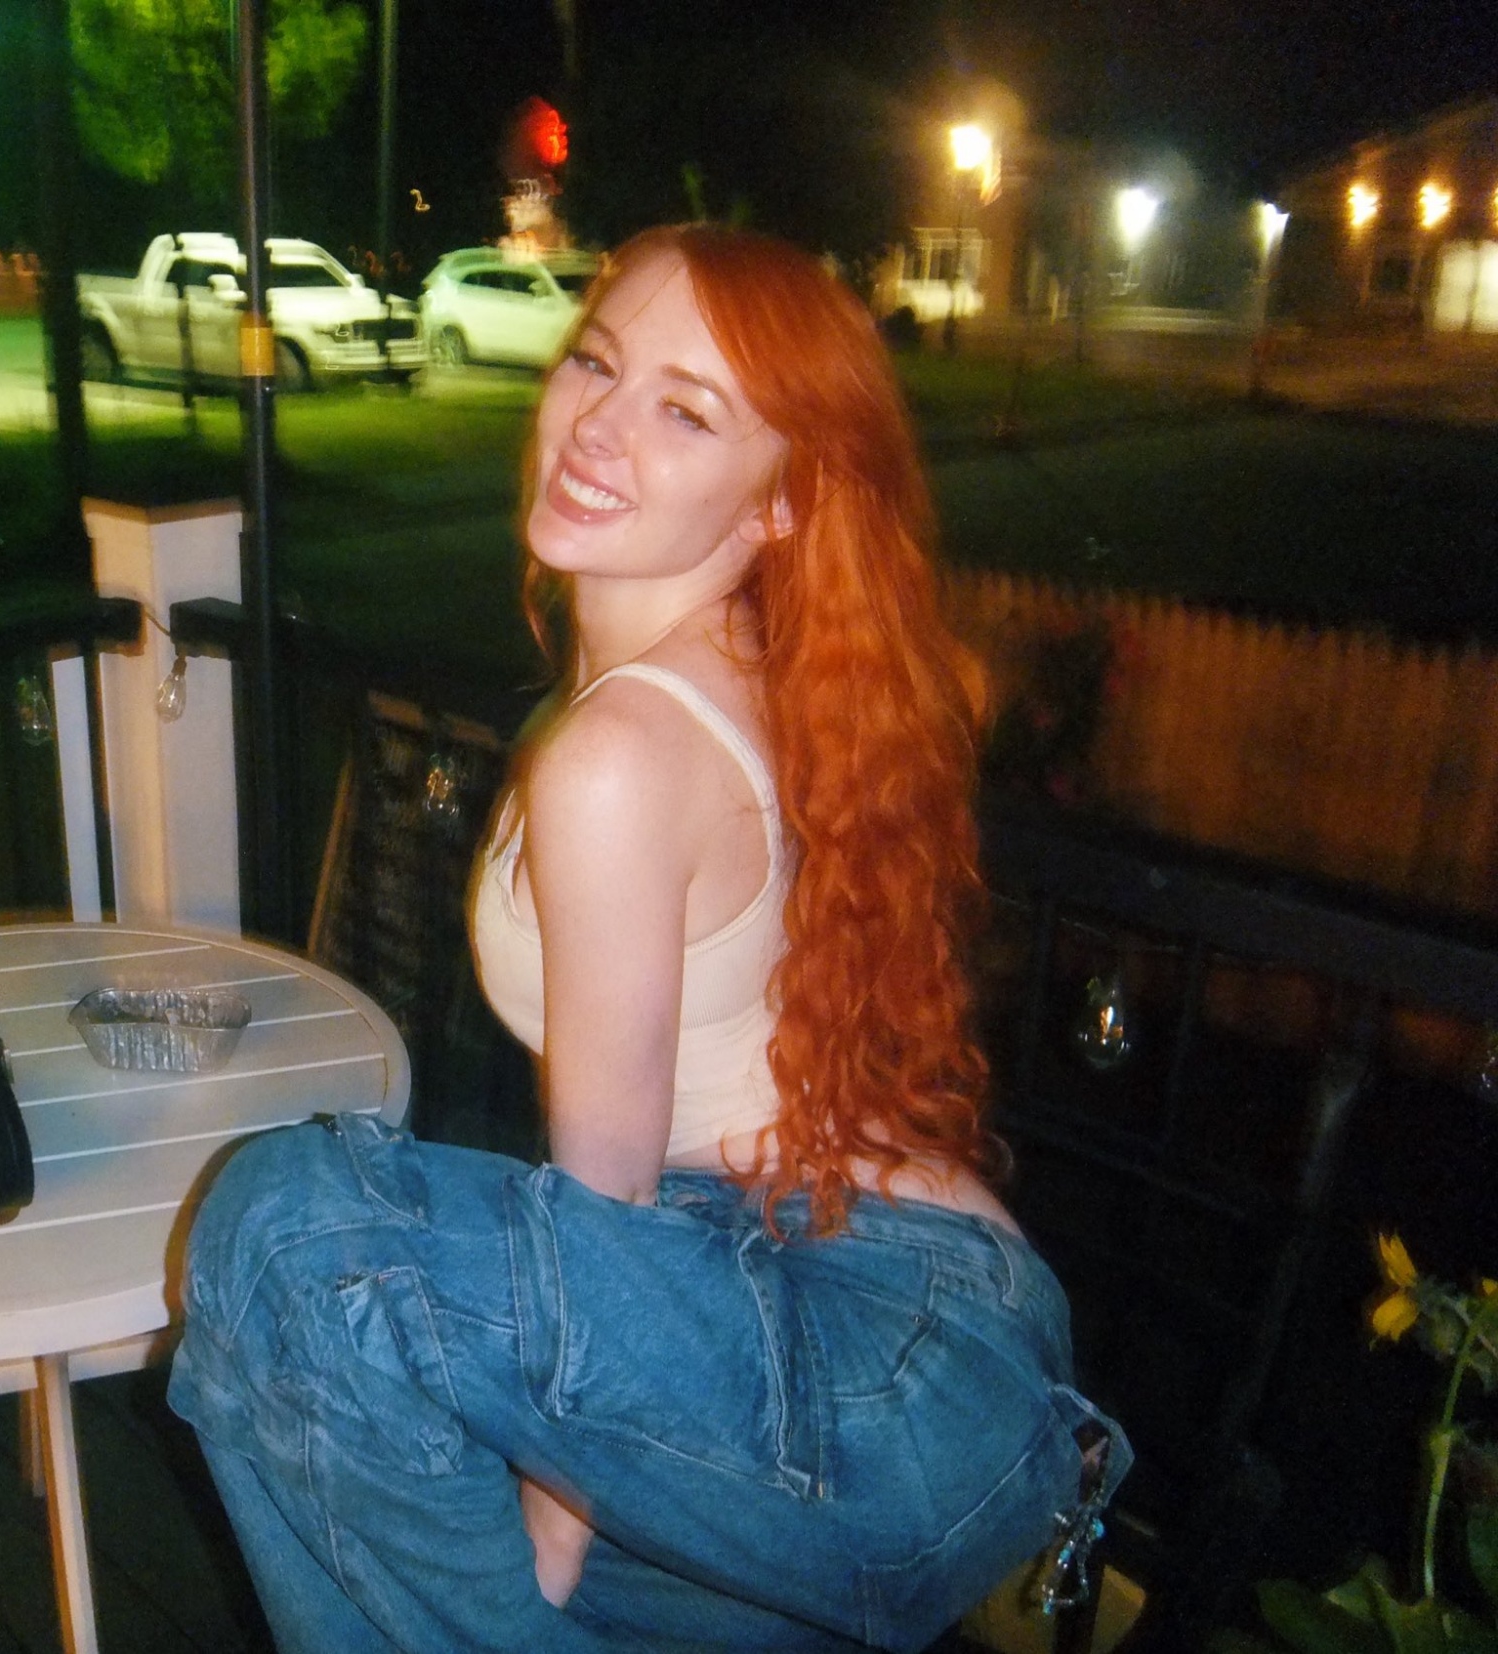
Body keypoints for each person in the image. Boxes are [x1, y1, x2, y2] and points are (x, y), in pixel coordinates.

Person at [167, 224, 1130, 1653]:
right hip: (914, 1336)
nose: (598, 427)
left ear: (780, 500)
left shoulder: (618, 750)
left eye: (686, 412)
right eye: (597, 365)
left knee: (280, 1237)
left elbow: (599, 1216)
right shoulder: (752, 662)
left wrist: (552, 1533)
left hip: (860, 1359)